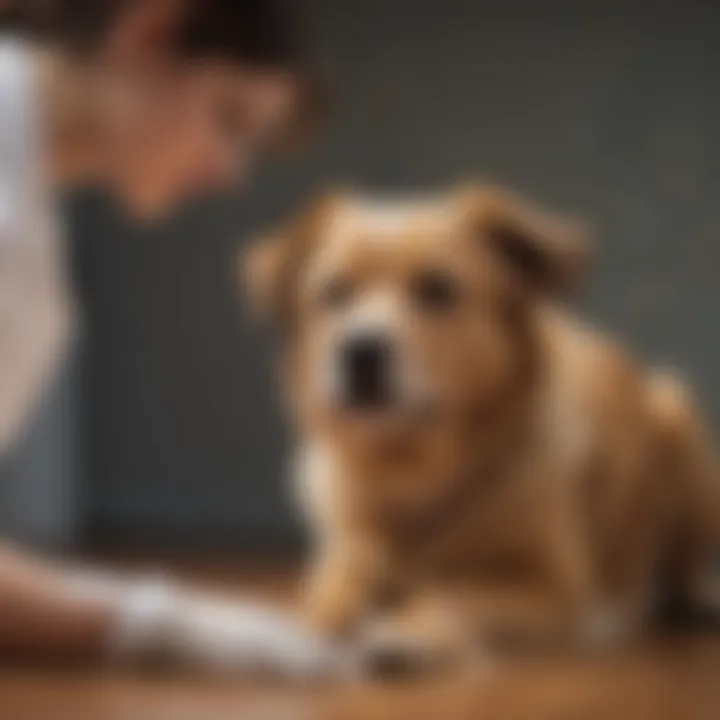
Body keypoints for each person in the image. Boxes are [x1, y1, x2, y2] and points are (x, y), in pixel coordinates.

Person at [0, 0, 339, 676]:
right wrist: (161, 626)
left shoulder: (33, 255)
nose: (229, 171)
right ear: (150, 31)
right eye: (228, 118)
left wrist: (157, 617)